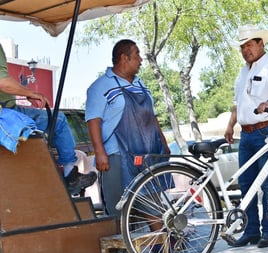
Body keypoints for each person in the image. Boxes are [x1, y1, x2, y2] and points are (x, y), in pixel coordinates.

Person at [224, 25, 268, 248]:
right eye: (242, 47)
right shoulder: (243, 72)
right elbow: (237, 104)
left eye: (249, 45)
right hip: (245, 135)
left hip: (265, 131)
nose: (246, 50)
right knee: (246, 184)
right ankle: (251, 231)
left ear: (261, 43)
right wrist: (229, 126)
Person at [86, 39, 169, 218]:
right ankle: (119, 244)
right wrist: (100, 152)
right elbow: (93, 120)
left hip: (145, 156)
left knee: (152, 203)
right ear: (124, 58)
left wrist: (164, 144)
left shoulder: (141, 85)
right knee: (118, 208)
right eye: (137, 54)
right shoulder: (100, 86)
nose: (141, 60)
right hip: (116, 156)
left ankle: (162, 244)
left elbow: (152, 118)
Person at [0, 43, 96, 195]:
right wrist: (31, 93)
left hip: (7, 108)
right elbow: (3, 82)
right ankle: (70, 174)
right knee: (58, 120)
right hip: (5, 112)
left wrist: (25, 92)